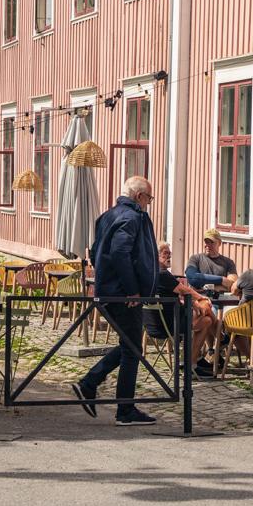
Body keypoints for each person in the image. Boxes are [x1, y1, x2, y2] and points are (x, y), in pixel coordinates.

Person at [76, 176, 161, 425]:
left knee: (129, 345)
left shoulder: (107, 216)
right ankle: (124, 409)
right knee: (133, 349)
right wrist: (133, 290)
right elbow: (120, 252)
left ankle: (90, 383)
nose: (149, 203)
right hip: (123, 295)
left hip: (108, 290)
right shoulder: (132, 217)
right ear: (139, 197)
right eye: (149, 198)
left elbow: (95, 249)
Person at [147, 243, 221, 379]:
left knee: (203, 310)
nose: (169, 256)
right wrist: (201, 298)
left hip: (154, 324)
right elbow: (183, 290)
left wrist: (195, 303)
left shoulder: (149, 273)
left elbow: (172, 296)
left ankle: (190, 360)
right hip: (170, 325)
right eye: (165, 253)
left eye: (170, 253)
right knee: (207, 319)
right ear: (155, 255)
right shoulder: (162, 274)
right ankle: (191, 364)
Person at [184, 229, 238, 295]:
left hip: (221, 301)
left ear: (219, 243)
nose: (208, 245)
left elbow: (232, 285)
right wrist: (222, 280)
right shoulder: (195, 259)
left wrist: (207, 287)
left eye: (212, 242)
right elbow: (192, 278)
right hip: (199, 301)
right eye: (206, 242)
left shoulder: (228, 262)